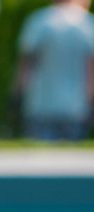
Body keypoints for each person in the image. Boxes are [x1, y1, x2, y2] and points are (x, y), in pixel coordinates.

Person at [15, 0, 94, 142]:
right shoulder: (87, 24)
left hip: (40, 105)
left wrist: (18, 95)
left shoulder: (39, 21)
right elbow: (91, 70)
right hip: (76, 108)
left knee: (40, 159)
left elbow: (26, 66)